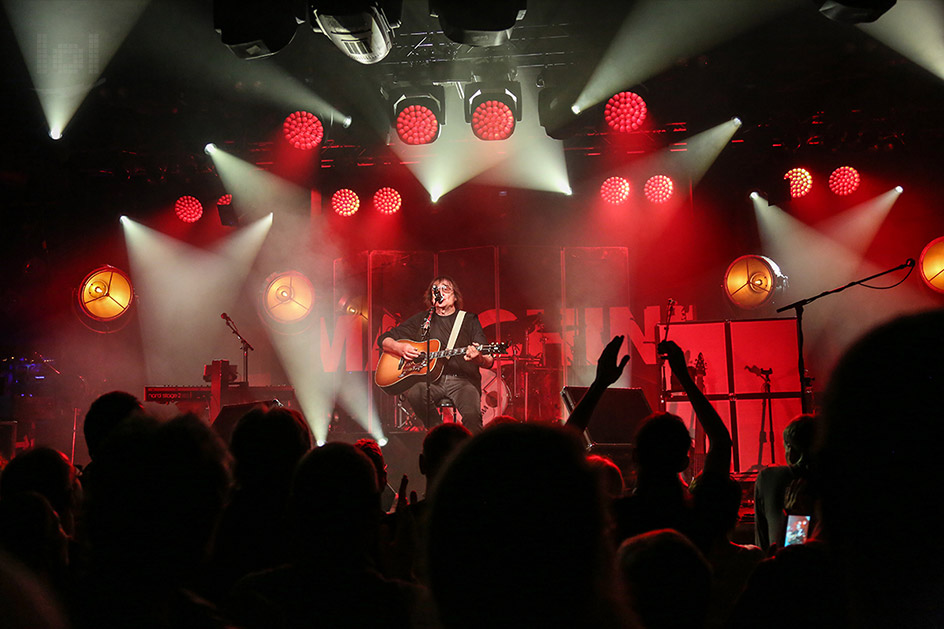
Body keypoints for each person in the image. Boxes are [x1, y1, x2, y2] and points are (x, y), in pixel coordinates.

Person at [378, 276, 494, 433]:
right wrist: (399, 348)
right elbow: (384, 340)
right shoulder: (422, 320)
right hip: (431, 381)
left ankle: (471, 452)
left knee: (472, 417)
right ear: (431, 298)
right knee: (416, 393)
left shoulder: (468, 320)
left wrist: (478, 357)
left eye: (445, 289)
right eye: (435, 290)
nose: (440, 293)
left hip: (463, 381)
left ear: (455, 297)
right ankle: (439, 434)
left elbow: (488, 360)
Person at [753, 414, 819, 552]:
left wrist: (794, 516)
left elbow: (790, 548)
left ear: (791, 450)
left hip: (785, 567)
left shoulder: (768, 478)